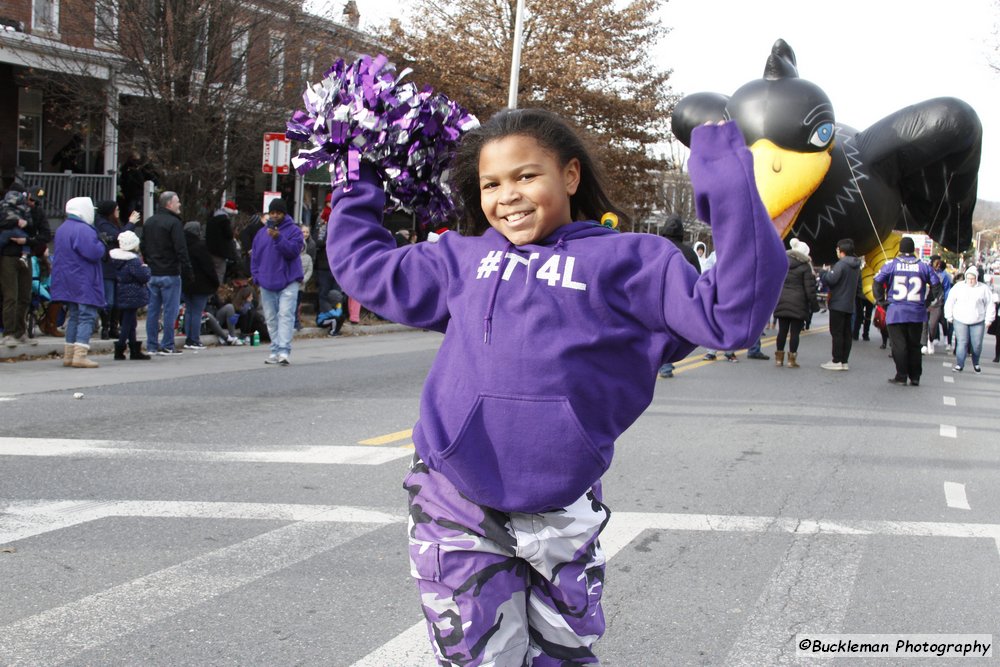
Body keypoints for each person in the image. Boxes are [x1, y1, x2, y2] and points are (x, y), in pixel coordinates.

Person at [326, 108, 786, 665]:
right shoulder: (462, 258)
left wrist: (723, 168)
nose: (508, 196)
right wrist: (358, 176)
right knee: (477, 659)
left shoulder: (633, 261)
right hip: (455, 499)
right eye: (491, 184)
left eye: (526, 176)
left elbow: (731, 314)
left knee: (562, 658)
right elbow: (366, 267)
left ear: (569, 177)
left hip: (565, 505)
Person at [874, 236, 941, 386]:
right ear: (914, 250)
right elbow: (937, 285)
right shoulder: (924, 266)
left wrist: (882, 302)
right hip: (917, 312)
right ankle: (915, 376)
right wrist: (927, 301)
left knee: (899, 345)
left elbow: (877, 282)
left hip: (896, 311)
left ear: (900, 250)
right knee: (914, 345)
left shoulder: (891, 265)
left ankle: (901, 375)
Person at [50, 197, 106, 368]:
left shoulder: (62, 228)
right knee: (86, 315)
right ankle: (80, 355)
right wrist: (102, 245)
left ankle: (69, 355)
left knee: (74, 315)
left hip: (67, 278)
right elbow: (93, 252)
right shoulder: (84, 230)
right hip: (84, 278)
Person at [250, 198, 303, 365]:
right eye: (272, 212)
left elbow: (293, 252)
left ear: (284, 213)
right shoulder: (260, 234)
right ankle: (274, 349)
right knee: (271, 318)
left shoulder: (294, 231)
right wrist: (256, 276)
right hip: (266, 281)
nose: (274, 215)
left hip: (289, 280)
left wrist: (278, 238)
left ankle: (284, 351)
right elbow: (255, 257)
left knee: (286, 315)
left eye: (278, 213)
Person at [141, 191, 193, 355]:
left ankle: (151, 345)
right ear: (169, 204)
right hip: (170, 272)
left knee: (153, 311)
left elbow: (143, 245)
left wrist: (149, 262)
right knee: (170, 311)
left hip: (153, 271)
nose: (179, 205)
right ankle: (168, 344)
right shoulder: (174, 223)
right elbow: (181, 249)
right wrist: (187, 269)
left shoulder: (149, 222)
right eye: (177, 202)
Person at [1, 186, 50, 347]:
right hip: (8, 256)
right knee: (10, 296)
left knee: (25, 296)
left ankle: (20, 332)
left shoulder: (35, 213)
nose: (32, 203)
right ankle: (8, 333)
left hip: (26, 253)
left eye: (35, 201)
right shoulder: (5, 208)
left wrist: (28, 241)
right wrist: (16, 222)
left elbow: (44, 235)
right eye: (30, 199)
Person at [658, 214, 701, 377]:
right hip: (678, 297)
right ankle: (666, 365)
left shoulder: (656, 247)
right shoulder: (689, 252)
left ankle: (657, 363)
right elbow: (698, 277)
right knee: (671, 332)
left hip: (656, 295)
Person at [773, 238, 818, 368]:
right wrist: (814, 306)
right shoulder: (805, 267)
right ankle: (791, 360)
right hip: (799, 302)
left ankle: (778, 359)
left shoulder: (782, 263)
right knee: (794, 333)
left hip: (782, 300)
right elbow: (809, 289)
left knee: (782, 331)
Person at [819, 238, 861, 371]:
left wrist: (823, 272)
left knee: (836, 333)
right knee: (846, 334)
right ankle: (844, 360)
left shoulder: (841, 264)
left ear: (842, 251)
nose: (837, 251)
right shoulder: (856, 266)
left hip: (838, 303)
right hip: (849, 304)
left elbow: (831, 280)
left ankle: (836, 360)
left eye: (837, 249)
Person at [944, 264, 995, 373]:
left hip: (978, 321)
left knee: (976, 345)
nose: (970, 281)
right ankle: (959, 364)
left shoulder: (983, 289)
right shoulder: (958, 287)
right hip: (960, 319)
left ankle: (976, 363)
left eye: (973, 279)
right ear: (965, 278)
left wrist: (989, 319)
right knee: (962, 342)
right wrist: (949, 315)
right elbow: (950, 301)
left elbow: (990, 304)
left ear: (976, 278)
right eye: (968, 278)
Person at [110, 230, 151, 360]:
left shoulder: (116, 259)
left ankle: (133, 348)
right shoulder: (133, 261)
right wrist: (146, 267)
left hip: (122, 291)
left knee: (130, 321)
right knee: (128, 322)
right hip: (133, 293)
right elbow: (144, 277)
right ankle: (121, 347)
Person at [181, 221, 220, 350]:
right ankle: (194, 339)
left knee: (189, 311)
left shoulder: (182, 245)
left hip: (186, 283)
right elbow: (208, 266)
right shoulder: (199, 246)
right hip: (200, 284)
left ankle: (188, 338)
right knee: (197, 312)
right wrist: (215, 281)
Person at [206, 200, 241, 283]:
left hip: (210, 250)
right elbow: (228, 235)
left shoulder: (212, 219)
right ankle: (217, 292)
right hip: (220, 252)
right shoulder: (224, 220)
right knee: (220, 272)